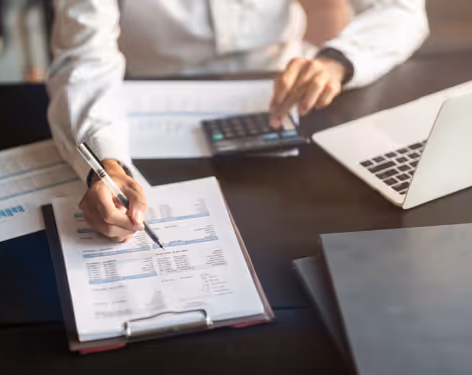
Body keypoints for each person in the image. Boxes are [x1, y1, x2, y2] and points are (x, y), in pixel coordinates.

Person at [47, 0, 429, 242]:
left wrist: (338, 60)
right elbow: (84, 58)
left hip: (281, 93)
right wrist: (105, 164)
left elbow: (402, 10)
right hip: (143, 104)